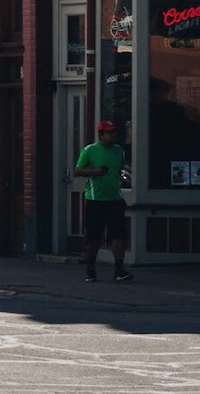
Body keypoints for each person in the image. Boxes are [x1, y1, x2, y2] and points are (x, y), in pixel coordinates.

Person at [76, 118, 132, 283]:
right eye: (109, 133)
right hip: (96, 199)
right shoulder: (90, 150)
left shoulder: (118, 151)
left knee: (118, 234)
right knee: (94, 236)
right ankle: (91, 267)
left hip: (114, 198)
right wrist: (94, 171)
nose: (112, 135)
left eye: (114, 132)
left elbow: (121, 170)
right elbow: (78, 170)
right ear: (101, 134)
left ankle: (119, 268)